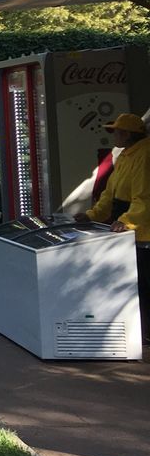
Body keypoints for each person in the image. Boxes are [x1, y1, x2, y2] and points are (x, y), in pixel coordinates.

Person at [77, 113, 150, 335]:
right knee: (136, 284)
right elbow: (109, 194)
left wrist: (126, 221)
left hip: (143, 232)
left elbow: (144, 197)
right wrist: (93, 215)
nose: (113, 136)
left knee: (145, 284)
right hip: (129, 228)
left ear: (127, 134)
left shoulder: (145, 155)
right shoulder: (126, 155)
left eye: (116, 132)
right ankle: (142, 330)